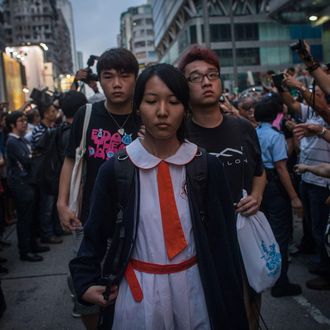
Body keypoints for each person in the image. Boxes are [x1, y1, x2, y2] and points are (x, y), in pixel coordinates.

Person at [70, 63, 248, 330]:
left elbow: (225, 243)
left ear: (185, 108)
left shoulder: (206, 167)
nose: (162, 112)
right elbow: (95, 233)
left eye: (174, 102)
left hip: (196, 288)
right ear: (138, 107)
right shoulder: (116, 169)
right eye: (151, 101)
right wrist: (85, 281)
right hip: (138, 294)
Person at [177, 45, 265, 329]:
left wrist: (256, 196)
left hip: (244, 233)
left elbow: (259, 172)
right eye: (196, 77)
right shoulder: (179, 135)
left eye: (212, 74)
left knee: (250, 303)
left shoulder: (242, 128)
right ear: (184, 87)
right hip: (200, 239)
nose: (206, 81)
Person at [57, 48, 140, 328]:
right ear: (100, 81)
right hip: (91, 217)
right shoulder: (87, 113)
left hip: (138, 216)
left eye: (125, 76)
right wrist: (62, 203)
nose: (117, 83)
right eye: (109, 76)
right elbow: (71, 160)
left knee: (133, 286)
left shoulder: (147, 113)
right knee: (87, 288)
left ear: (136, 79)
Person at [280, 79, 330, 290]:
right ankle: (321, 262)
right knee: (313, 226)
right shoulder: (310, 112)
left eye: (318, 92)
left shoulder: (327, 114)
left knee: (322, 229)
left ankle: (327, 272)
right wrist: (280, 85)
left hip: (323, 181)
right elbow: (291, 104)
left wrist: (318, 130)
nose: (313, 94)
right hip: (308, 176)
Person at [254, 98, 303, 297]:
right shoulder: (275, 136)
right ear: (276, 115)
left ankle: (266, 275)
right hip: (274, 186)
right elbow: (282, 168)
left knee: (264, 234)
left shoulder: (254, 133)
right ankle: (280, 283)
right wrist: (293, 197)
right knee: (279, 236)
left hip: (258, 184)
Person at [5, 112, 49, 262]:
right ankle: (25, 251)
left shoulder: (22, 139)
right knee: (24, 219)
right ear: (12, 125)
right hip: (21, 185)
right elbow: (27, 159)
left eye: (25, 120)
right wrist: (34, 156)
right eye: (20, 121)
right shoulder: (12, 142)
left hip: (29, 183)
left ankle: (32, 244)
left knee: (32, 217)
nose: (24, 123)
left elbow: (33, 154)